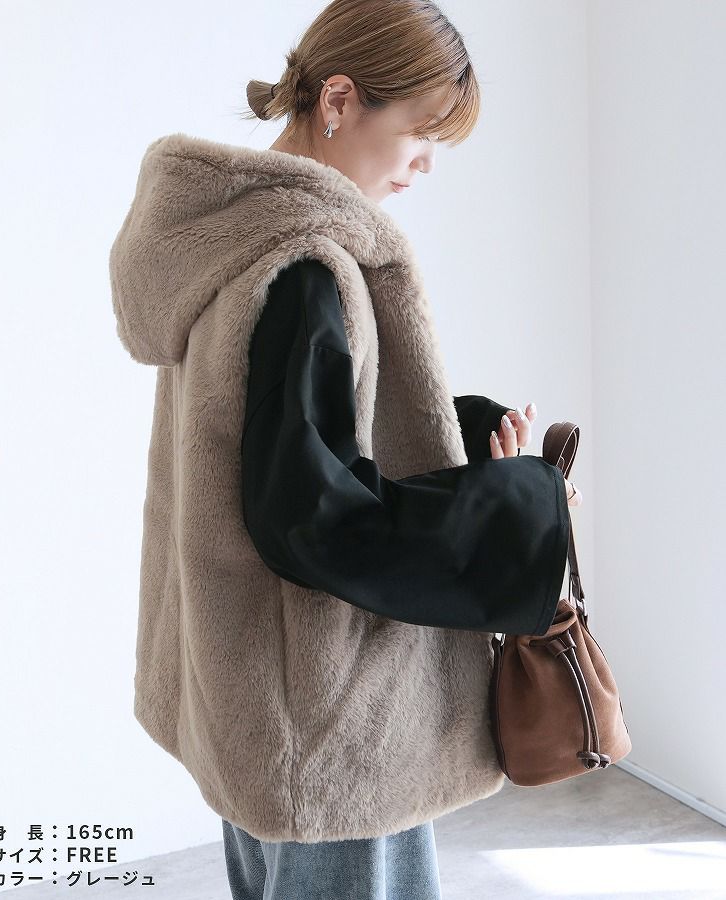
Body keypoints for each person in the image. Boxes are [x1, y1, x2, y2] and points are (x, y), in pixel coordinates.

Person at [108, 1, 581, 897]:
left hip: (254, 696)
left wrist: (465, 433)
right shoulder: (304, 266)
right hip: (333, 731)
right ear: (338, 100)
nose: (427, 162)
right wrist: (525, 507)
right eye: (421, 132)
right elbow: (314, 519)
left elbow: (280, 438)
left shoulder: (229, 242)